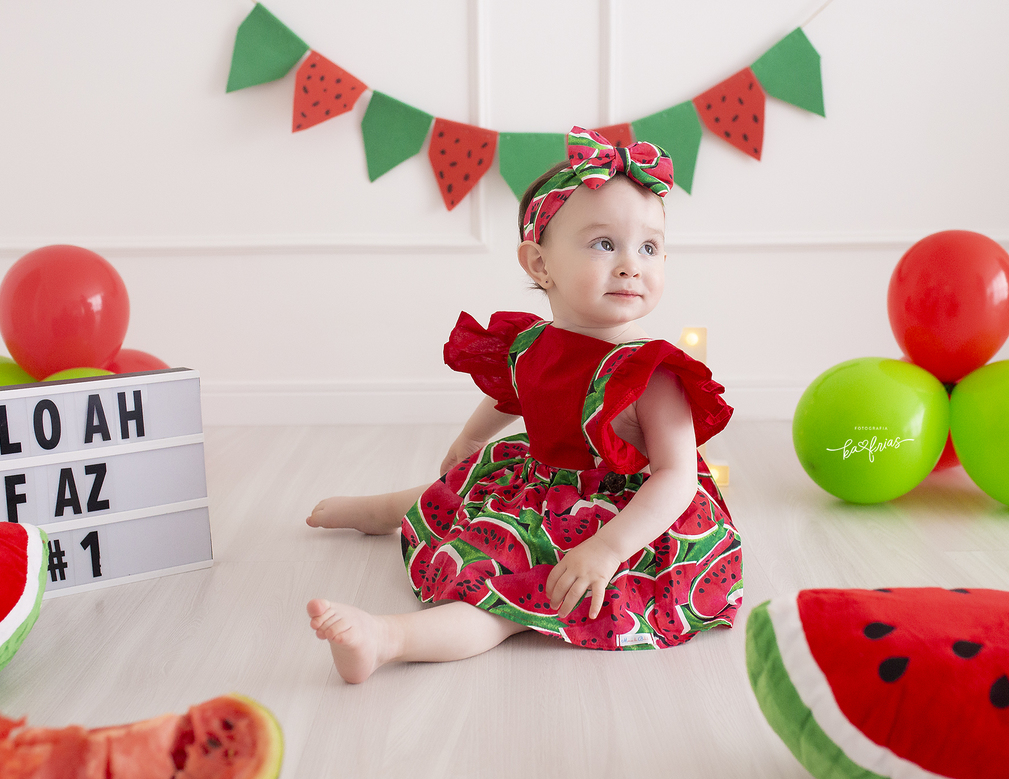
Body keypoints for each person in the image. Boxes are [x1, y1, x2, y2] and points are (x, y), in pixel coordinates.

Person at [306, 127, 742, 684]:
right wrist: (470, 440)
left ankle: (387, 639)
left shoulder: (652, 373)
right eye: (604, 244)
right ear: (539, 264)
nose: (633, 264)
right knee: (458, 493)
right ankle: (380, 512)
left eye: (650, 247)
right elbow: (512, 391)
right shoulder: (533, 342)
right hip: (540, 481)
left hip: (624, 517)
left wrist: (607, 549)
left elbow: (677, 477)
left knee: (509, 602)